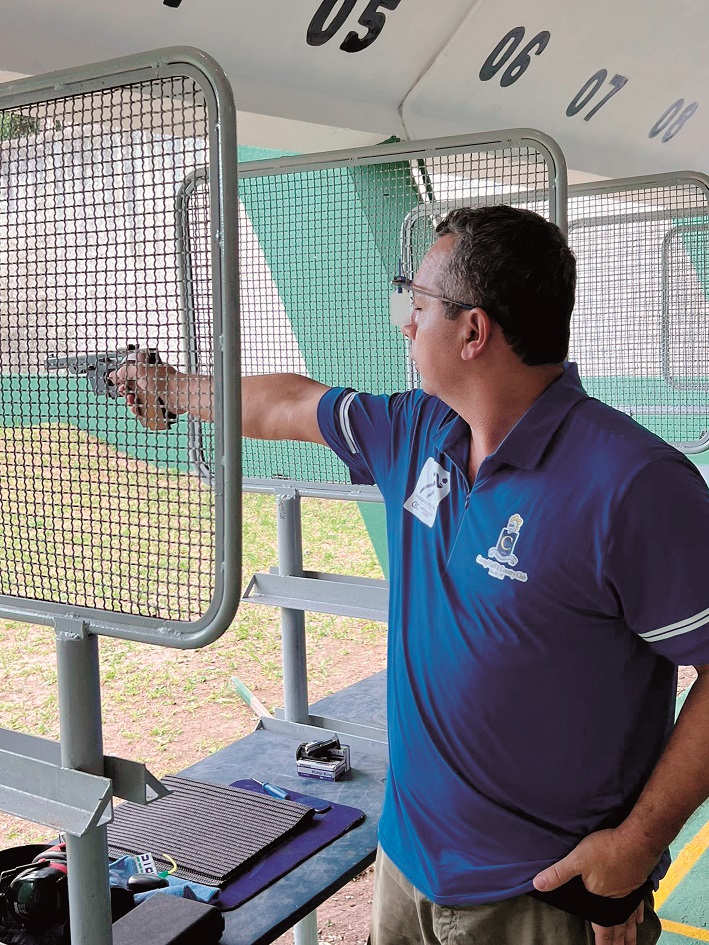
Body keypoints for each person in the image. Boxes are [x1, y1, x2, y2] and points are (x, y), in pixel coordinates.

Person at [114, 206, 709, 945]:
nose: (404, 323)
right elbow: (292, 402)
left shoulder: (632, 483)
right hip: (405, 864)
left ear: (471, 331)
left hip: (540, 896)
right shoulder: (418, 430)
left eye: (414, 302)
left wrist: (638, 845)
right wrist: (171, 388)